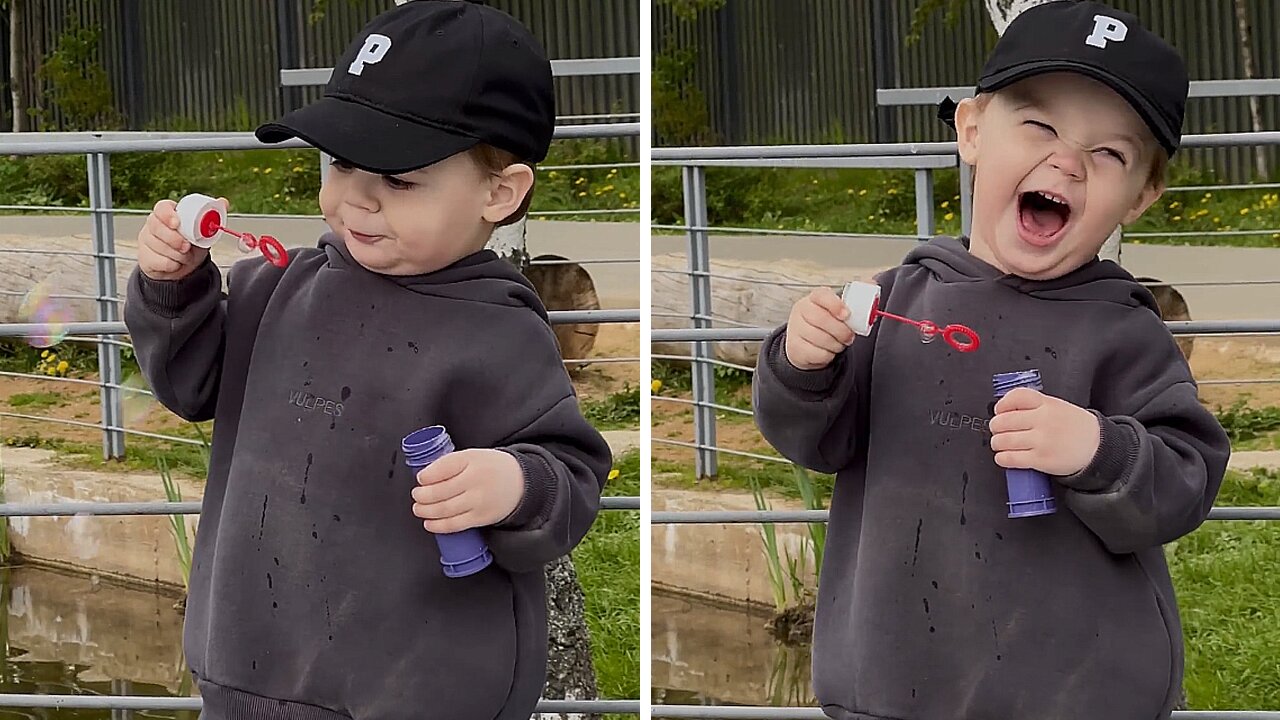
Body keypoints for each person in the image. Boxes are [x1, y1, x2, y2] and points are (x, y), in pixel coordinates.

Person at [124, 3, 612, 718]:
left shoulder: (501, 332)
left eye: (401, 179)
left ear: (499, 193)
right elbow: (189, 380)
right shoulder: (273, 287)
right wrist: (173, 289)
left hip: (414, 694)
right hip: (246, 681)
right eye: (343, 160)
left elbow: (570, 472)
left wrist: (512, 482)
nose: (357, 196)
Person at [752, 3, 1231, 718]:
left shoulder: (1126, 332)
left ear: (1144, 194)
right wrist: (801, 363)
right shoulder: (891, 302)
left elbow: (1184, 481)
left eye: (1109, 154)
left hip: (1079, 697)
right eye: (1040, 126)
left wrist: (1099, 450)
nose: (1066, 161)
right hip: (895, 687)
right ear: (972, 130)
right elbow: (810, 438)